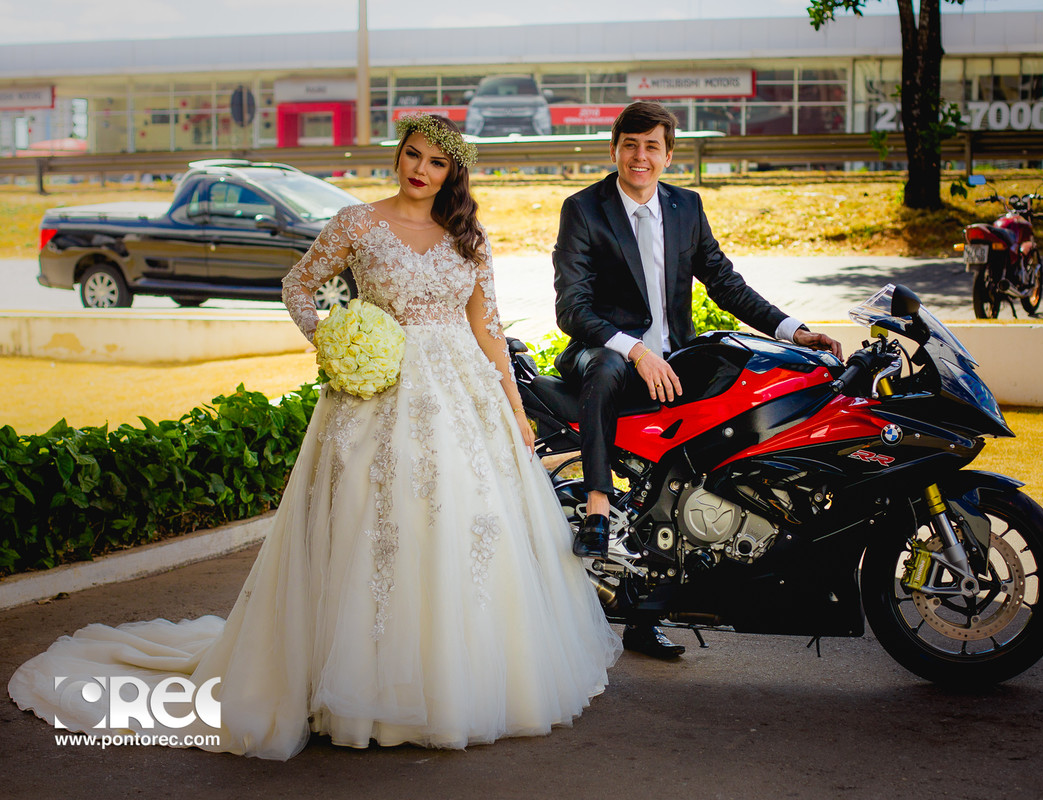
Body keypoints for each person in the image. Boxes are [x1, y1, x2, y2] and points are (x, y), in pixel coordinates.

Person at [9, 114, 621, 760]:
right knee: (372, 526)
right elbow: (298, 285)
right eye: (412, 155)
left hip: (461, 394)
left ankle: (457, 678)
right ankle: (361, 684)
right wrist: (336, 339)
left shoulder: (467, 236)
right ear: (399, 156)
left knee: (464, 525)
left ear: (452, 173)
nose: (420, 170)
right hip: (375, 394)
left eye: (436, 163)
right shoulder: (357, 222)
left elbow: (488, 328)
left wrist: (515, 409)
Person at [552, 101, 843, 660]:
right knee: (611, 364)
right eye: (630, 145)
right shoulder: (583, 209)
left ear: (668, 154)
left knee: (696, 459)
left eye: (652, 146)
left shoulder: (686, 206)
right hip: (604, 356)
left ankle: (655, 605)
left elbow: (725, 284)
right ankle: (594, 503)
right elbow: (572, 306)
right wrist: (634, 349)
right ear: (614, 148)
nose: (641, 156)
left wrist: (794, 330)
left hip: (677, 358)